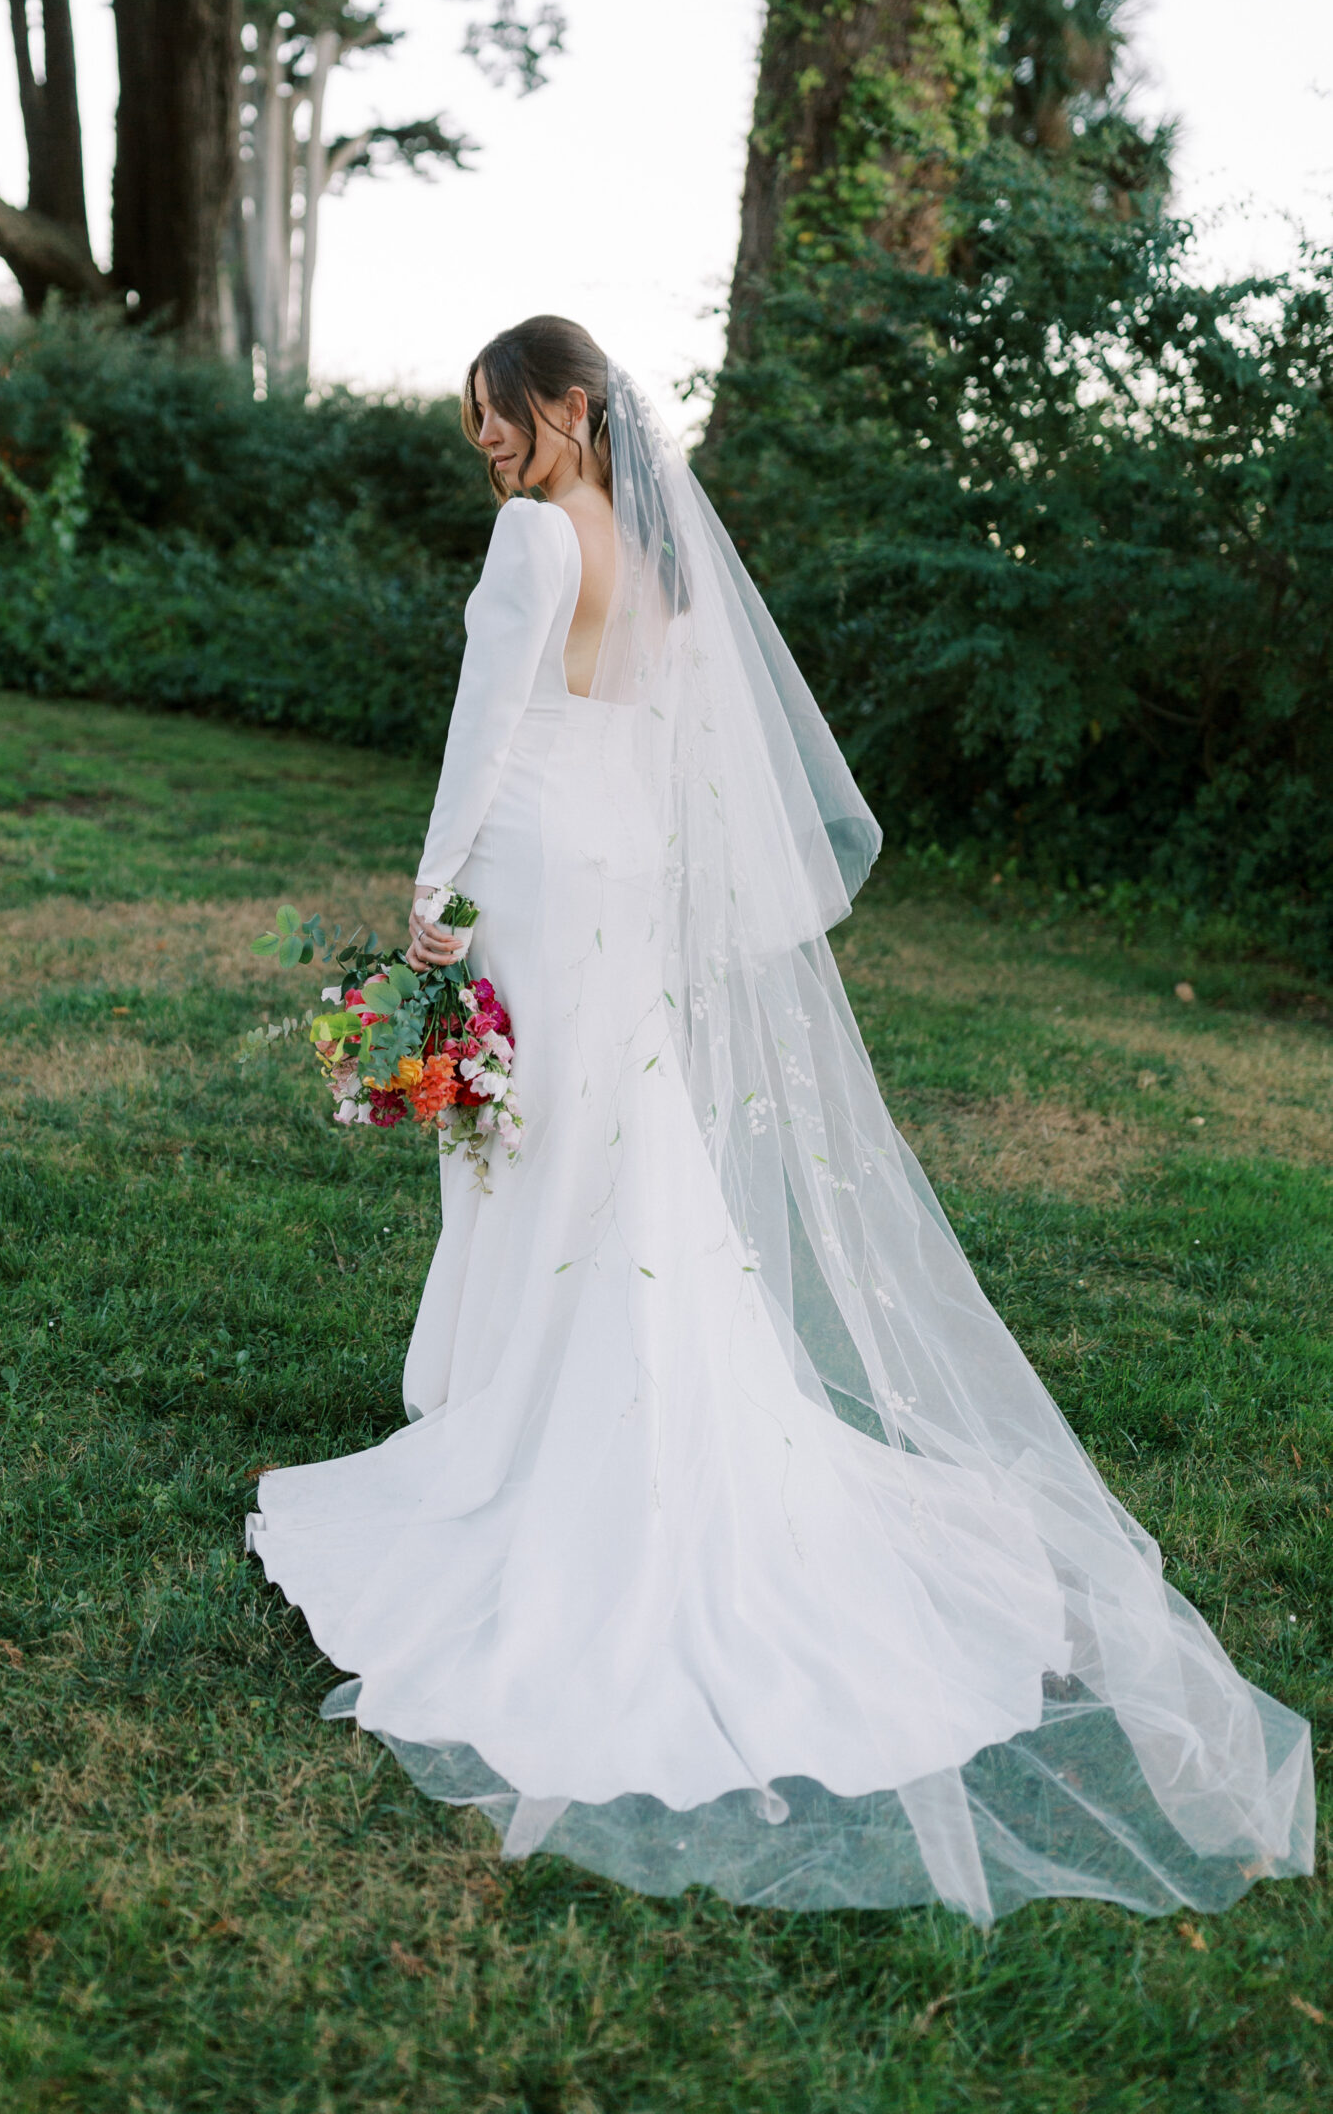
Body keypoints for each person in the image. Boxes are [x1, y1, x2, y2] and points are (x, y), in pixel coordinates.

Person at [249, 316, 1312, 1923]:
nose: (484, 437)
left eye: (502, 410)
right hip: (609, 881)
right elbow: (669, 761)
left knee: (526, 1145)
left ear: (572, 406)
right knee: (606, 1139)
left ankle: (509, 1424)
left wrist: (427, 911)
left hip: (528, 875)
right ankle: (540, 1393)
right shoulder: (660, 567)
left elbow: (485, 734)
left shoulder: (536, 539)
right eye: (471, 416)